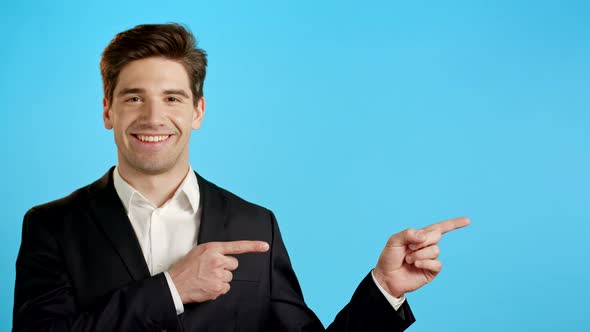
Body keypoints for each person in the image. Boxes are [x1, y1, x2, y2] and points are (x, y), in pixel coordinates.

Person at [13, 23, 470, 331]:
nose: (153, 116)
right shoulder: (51, 226)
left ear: (198, 111)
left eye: (172, 99)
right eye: (134, 98)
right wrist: (171, 289)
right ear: (107, 110)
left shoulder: (255, 225)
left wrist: (384, 289)